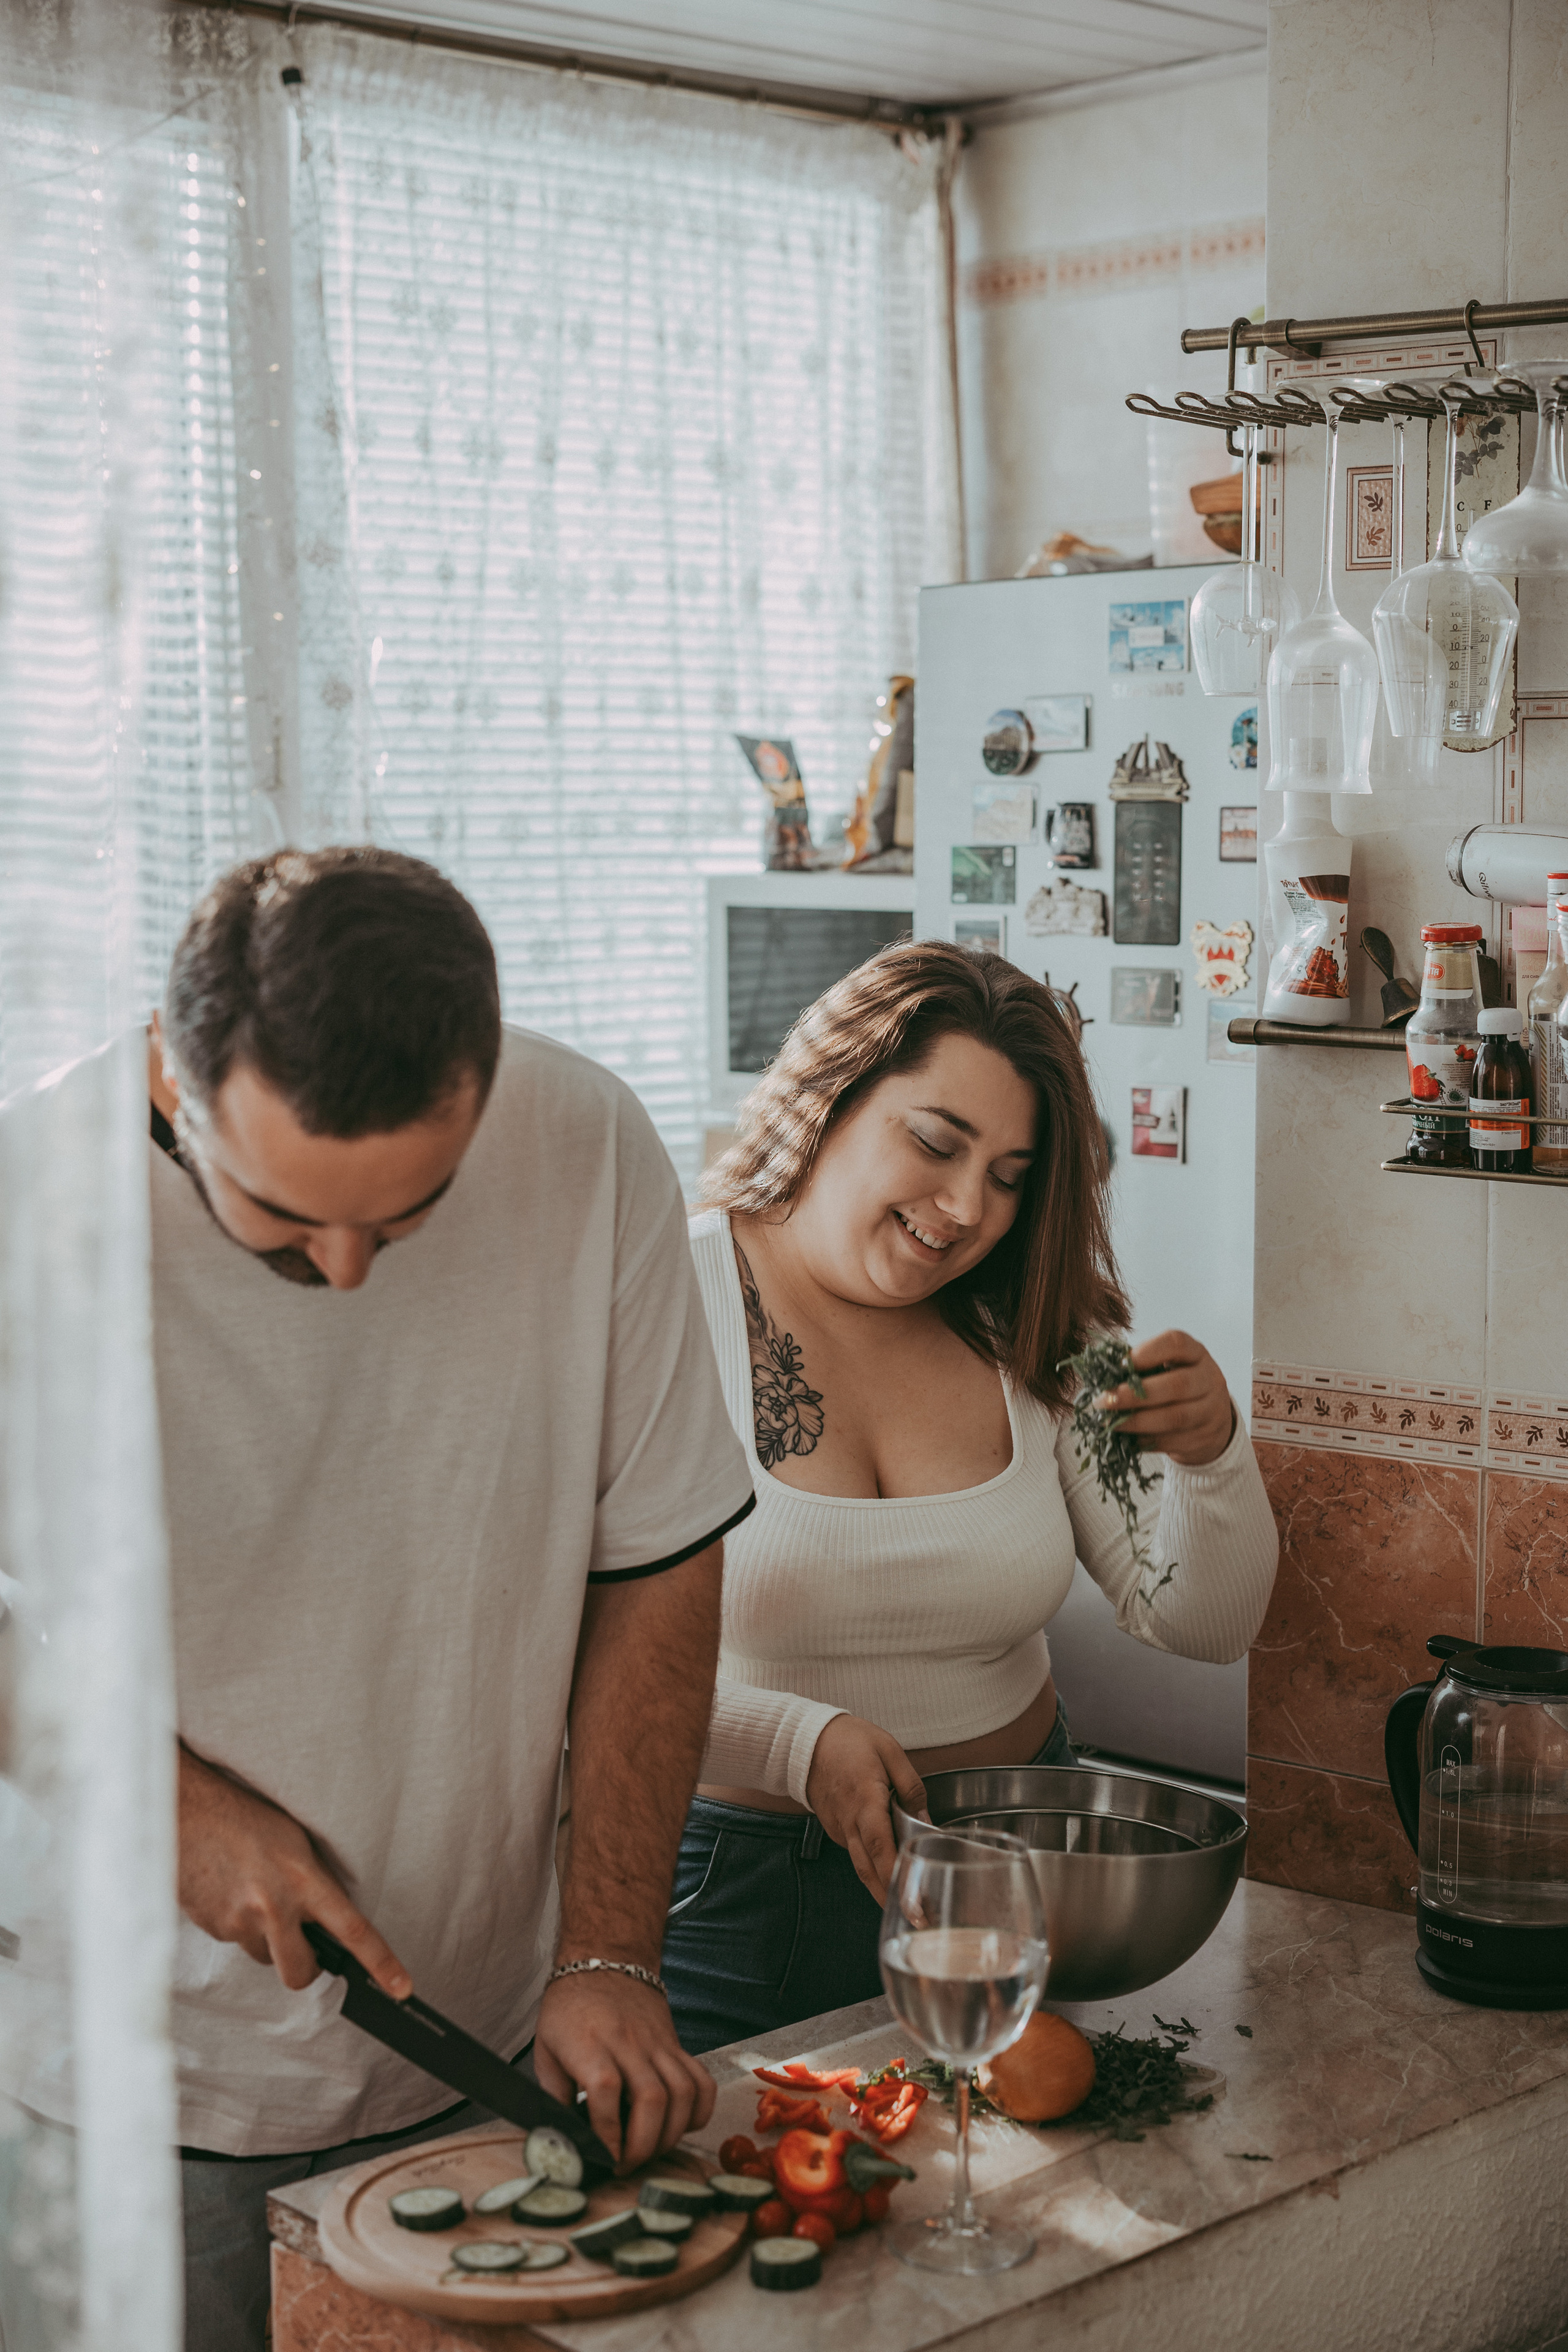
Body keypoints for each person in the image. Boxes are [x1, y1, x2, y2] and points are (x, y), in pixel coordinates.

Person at [0, 848, 755, 2352]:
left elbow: (657, 1561)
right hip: (131, 2081)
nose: (347, 1273)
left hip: (484, 2042)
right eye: (281, 1215)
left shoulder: (586, 1142)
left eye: (407, 1216)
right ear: (169, 1067)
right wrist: (168, 1809)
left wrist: (607, 1953)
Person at [662, 942, 1278, 2052]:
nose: (965, 1210)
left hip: (1020, 1874)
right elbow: (554, 1663)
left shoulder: (1040, 1325)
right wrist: (798, 1745)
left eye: (1010, 1176)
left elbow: (1202, 1621)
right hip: (741, 1898)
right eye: (937, 1143)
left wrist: (1215, 1456)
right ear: (828, 1099)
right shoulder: (666, 1300)